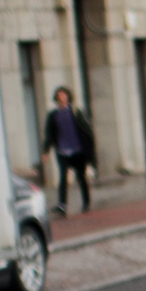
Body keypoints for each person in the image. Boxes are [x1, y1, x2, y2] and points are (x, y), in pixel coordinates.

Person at [45, 87, 95, 216]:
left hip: (78, 150)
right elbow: (49, 134)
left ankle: (86, 202)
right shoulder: (53, 115)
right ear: (56, 98)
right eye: (59, 96)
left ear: (68, 97)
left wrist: (89, 149)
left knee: (81, 177)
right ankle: (62, 205)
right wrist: (45, 151)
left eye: (63, 95)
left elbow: (86, 129)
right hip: (63, 151)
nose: (61, 98)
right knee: (63, 178)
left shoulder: (75, 112)